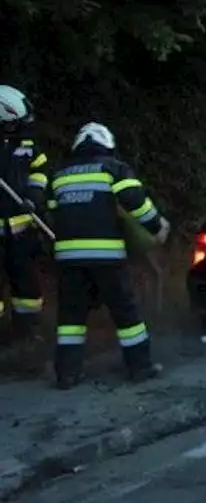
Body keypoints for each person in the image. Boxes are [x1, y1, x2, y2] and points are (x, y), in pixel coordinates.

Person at [47, 122, 169, 389]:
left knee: (70, 319)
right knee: (126, 314)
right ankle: (140, 367)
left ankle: (67, 374)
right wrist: (157, 226)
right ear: (107, 145)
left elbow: (51, 212)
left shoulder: (59, 175)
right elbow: (136, 203)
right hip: (106, 257)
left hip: (69, 260)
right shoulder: (113, 168)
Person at [0, 86, 49, 353]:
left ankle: (27, 333)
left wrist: (34, 196)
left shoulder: (28, 145)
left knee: (27, 285)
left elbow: (40, 172)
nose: (20, 128)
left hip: (21, 231)